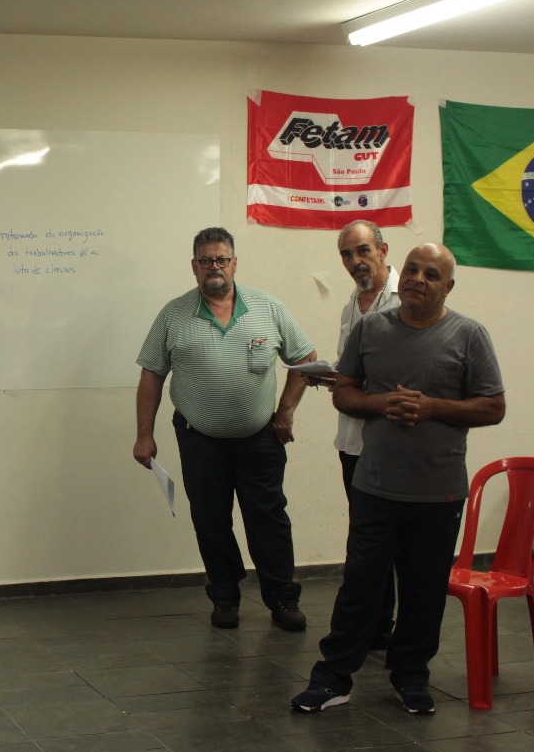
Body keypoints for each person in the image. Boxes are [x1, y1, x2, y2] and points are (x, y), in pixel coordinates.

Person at [292, 243, 505, 716]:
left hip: (438, 490)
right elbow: (344, 393)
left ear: (447, 287)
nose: (418, 279)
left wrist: (432, 408)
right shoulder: (371, 329)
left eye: (431, 274)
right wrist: (380, 403)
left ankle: (411, 676)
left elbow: (493, 406)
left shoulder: (469, 334)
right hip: (375, 485)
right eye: (412, 269)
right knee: (360, 584)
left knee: (423, 590)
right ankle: (333, 678)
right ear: (400, 272)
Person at [134, 227, 318, 631]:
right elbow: (151, 375)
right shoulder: (173, 314)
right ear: (194, 266)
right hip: (199, 438)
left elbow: (306, 359)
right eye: (206, 260)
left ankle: (283, 599)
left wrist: (286, 412)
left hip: (261, 438)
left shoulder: (268, 307)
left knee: (269, 518)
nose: (214, 267)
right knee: (211, 520)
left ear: (234, 263)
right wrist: (144, 435)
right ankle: (225, 598)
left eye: (221, 259)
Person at [332, 221, 399, 650]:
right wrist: (333, 378)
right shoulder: (351, 304)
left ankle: (385, 628)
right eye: (346, 254)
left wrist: (357, 384)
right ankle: (375, 627)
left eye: (362, 251)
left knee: (387, 540)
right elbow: (350, 367)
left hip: (389, 440)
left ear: (382, 250)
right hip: (352, 440)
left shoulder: (406, 298)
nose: (355, 261)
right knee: (364, 536)